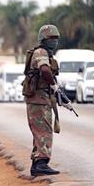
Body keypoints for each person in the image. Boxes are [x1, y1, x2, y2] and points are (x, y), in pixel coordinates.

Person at [22, 25, 61, 177]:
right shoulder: (41, 52)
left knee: (40, 131)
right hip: (38, 99)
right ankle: (41, 164)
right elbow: (44, 70)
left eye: (56, 39)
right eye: (51, 39)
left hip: (42, 98)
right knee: (44, 131)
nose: (54, 42)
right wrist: (53, 84)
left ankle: (37, 163)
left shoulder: (46, 53)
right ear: (43, 39)